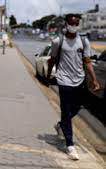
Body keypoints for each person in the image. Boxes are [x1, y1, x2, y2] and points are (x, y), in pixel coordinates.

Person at [47, 14, 100, 160]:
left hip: (80, 80)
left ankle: (61, 125)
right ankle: (70, 145)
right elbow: (52, 59)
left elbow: (87, 61)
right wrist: (48, 74)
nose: (74, 26)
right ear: (66, 24)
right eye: (72, 23)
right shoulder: (58, 41)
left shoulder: (84, 41)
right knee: (65, 110)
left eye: (77, 23)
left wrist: (94, 80)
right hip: (64, 81)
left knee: (81, 105)